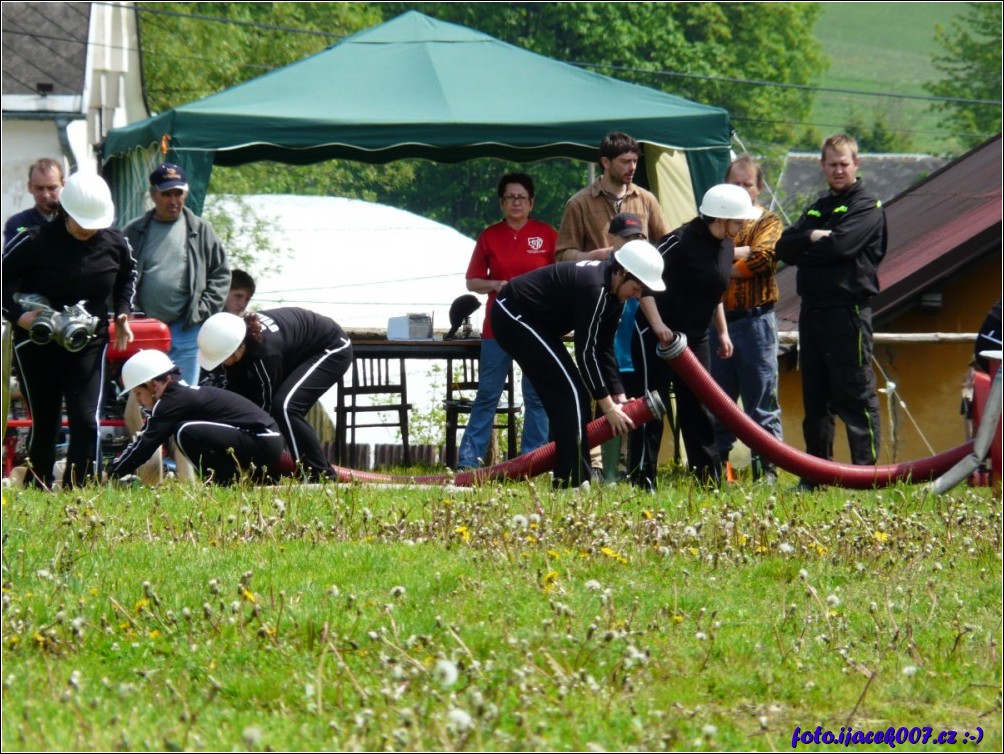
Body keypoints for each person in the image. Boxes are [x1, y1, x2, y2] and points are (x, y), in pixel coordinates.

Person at [491, 240, 666, 489]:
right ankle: (572, 479)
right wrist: (608, 408)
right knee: (571, 392)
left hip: (539, 322)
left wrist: (618, 395)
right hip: (513, 314)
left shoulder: (614, 295)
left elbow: (604, 347)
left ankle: (570, 476)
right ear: (621, 273)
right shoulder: (594, 288)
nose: (636, 296)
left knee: (575, 395)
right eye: (636, 288)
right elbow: (586, 353)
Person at [2, 171, 135, 489]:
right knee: (45, 421)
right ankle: (38, 484)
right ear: (65, 212)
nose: (89, 230)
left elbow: (127, 277)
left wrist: (122, 314)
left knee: (86, 419)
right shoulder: (33, 240)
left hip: (87, 341)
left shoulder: (115, 242)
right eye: (81, 223)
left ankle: (82, 489)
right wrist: (19, 316)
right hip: (37, 342)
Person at [629, 184, 759, 490]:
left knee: (699, 406)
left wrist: (723, 332)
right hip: (655, 333)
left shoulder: (726, 246)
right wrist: (659, 326)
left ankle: (707, 480)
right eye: (739, 221)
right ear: (720, 218)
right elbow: (642, 281)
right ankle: (642, 479)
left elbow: (713, 292)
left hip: (696, 337)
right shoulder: (678, 242)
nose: (742, 228)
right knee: (652, 405)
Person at [777, 133, 887, 476]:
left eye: (844, 164)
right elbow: (783, 248)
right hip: (812, 313)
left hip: (848, 313)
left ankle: (865, 474)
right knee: (816, 399)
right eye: (832, 164)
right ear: (823, 166)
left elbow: (841, 248)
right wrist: (811, 237)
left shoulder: (866, 206)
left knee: (855, 394)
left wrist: (809, 250)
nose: (838, 170)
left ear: (856, 164)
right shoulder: (818, 206)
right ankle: (817, 474)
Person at [457, 172, 556, 469]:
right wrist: (496, 284)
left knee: (536, 395)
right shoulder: (489, 236)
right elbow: (472, 282)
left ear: (531, 202)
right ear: (501, 203)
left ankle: (533, 459)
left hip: (536, 326)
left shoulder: (548, 234)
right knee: (488, 394)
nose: (516, 202)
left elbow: (560, 276)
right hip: (497, 326)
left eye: (521, 197)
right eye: (510, 197)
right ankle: (468, 462)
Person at [197, 308, 352, 481]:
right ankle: (268, 473)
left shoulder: (265, 355)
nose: (221, 365)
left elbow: (263, 414)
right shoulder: (231, 336)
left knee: (285, 408)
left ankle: (320, 475)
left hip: (332, 347)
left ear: (238, 348)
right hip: (295, 350)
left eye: (223, 358)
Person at [708, 156, 784, 484]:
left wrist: (723, 264)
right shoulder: (713, 221)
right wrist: (738, 255)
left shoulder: (768, 221)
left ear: (759, 187)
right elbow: (700, 257)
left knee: (761, 400)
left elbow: (764, 259)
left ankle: (766, 469)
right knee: (717, 399)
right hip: (718, 320)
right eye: (735, 183)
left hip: (756, 324)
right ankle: (716, 471)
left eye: (747, 184)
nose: (741, 189)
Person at [123, 162, 230, 386]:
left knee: (186, 393)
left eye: (178, 193)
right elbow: (117, 276)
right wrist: (126, 311)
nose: (173, 200)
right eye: (167, 194)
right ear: (153, 195)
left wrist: (201, 311)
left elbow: (220, 275)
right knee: (145, 391)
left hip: (186, 328)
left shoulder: (201, 230)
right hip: (146, 328)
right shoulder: (134, 231)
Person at [107, 350, 284, 485]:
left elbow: (145, 445)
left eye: (138, 393)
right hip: (263, 441)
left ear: (153, 385)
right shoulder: (179, 396)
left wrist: (110, 474)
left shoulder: (172, 401)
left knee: (185, 431)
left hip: (263, 440)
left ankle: (225, 483)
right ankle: (228, 481)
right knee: (186, 430)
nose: (138, 401)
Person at [554, 131, 669, 262]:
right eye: (625, 162)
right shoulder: (579, 203)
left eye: (635, 161)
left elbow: (667, 244)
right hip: (596, 280)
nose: (632, 167)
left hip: (637, 280)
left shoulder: (647, 199)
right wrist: (594, 256)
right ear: (606, 162)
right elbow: (562, 255)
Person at [600, 213, 649, 483]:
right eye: (627, 238)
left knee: (639, 415)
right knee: (610, 417)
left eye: (638, 238)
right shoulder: (605, 271)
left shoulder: (646, 269)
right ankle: (608, 475)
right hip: (611, 356)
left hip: (638, 354)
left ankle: (635, 473)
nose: (633, 243)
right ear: (612, 239)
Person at [4, 158, 65, 246]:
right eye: (39, 188)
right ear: (29, 187)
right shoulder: (16, 224)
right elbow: (8, 258)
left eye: (51, 188)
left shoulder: (75, 222)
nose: (45, 195)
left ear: (63, 185)